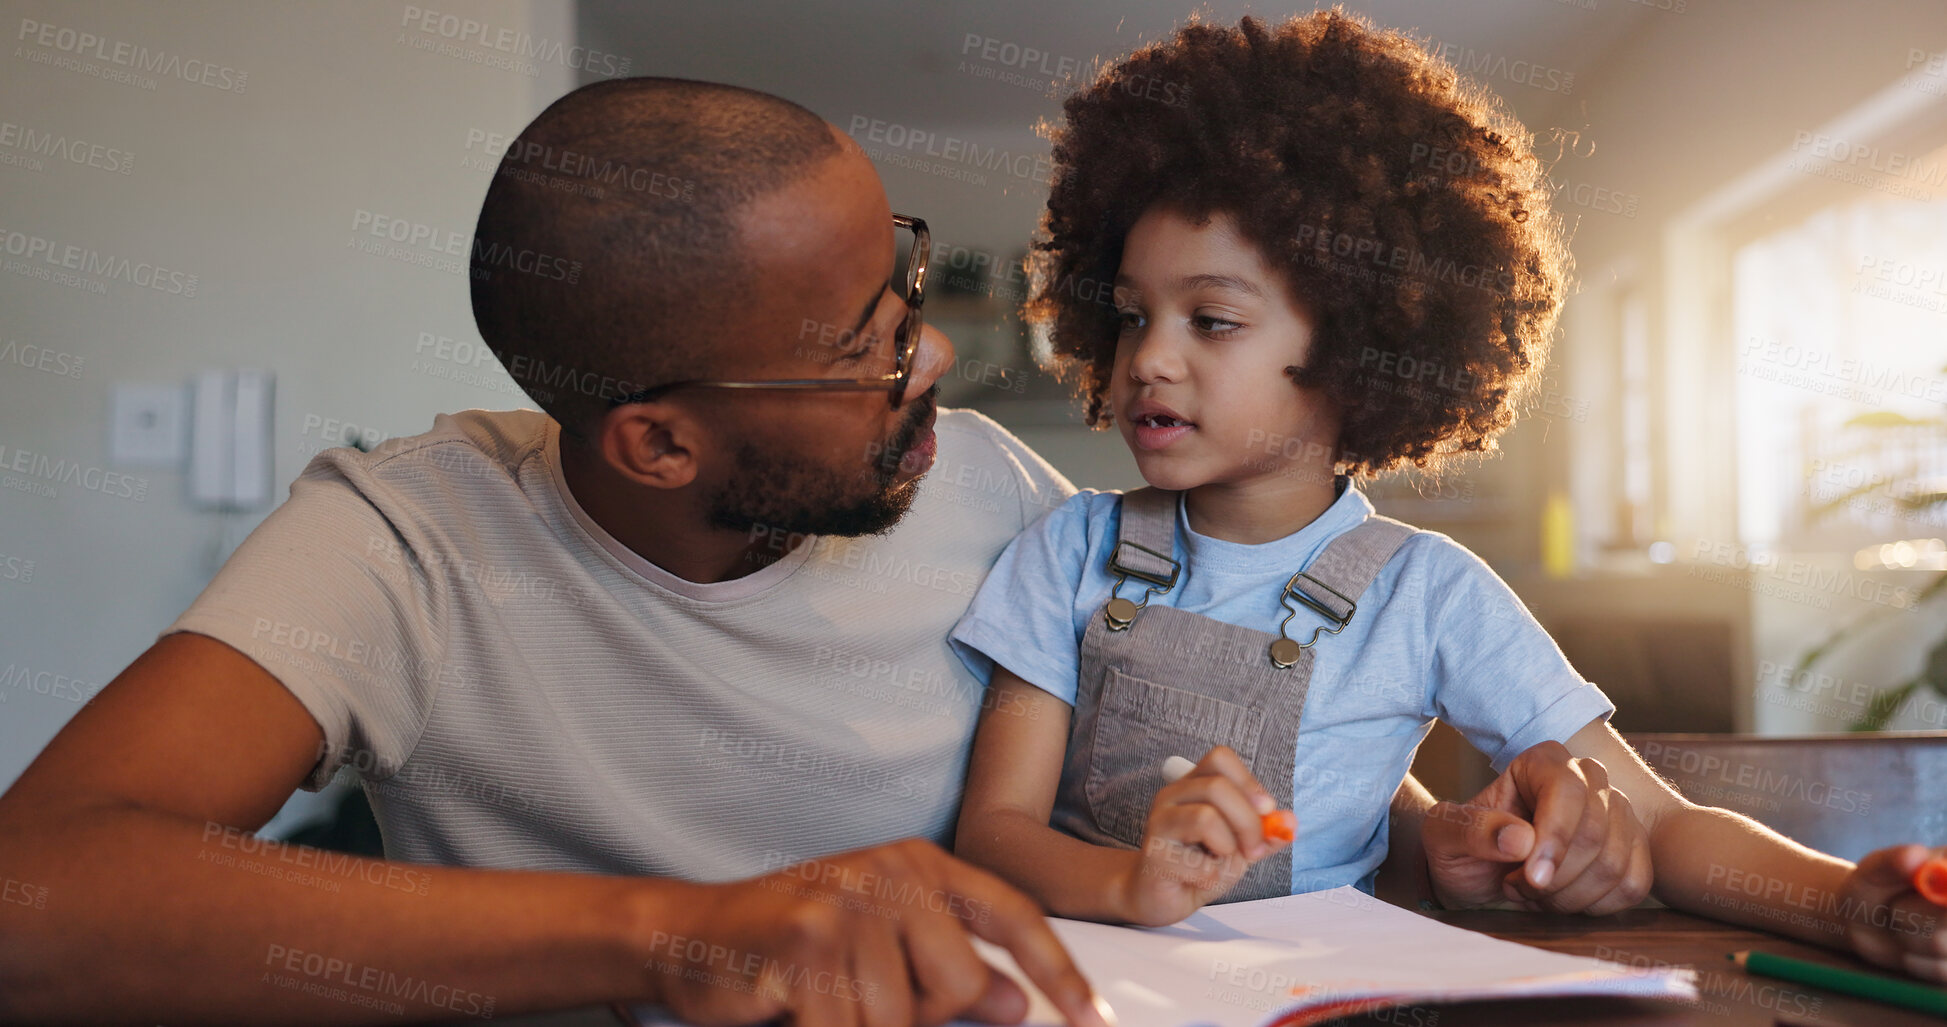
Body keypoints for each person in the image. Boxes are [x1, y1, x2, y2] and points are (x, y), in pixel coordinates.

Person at [0, 77, 1649, 1024]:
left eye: (907, 292)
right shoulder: (401, 544)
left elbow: (1177, 749)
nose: (924, 362)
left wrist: (1425, 842)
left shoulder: (1002, 495)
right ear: (657, 439)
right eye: (860, 346)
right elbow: (37, 897)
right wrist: (681, 931)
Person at [949, 10, 1947, 983]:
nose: (1148, 358)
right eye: (1130, 316)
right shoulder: (1072, 550)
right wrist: (1135, 882)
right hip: (1081, 994)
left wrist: (1850, 903)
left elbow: (1663, 820)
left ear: (1353, 349)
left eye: (1210, 319)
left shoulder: (1427, 595)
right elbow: (994, 831)